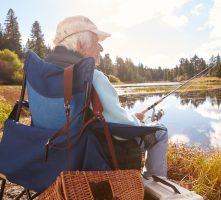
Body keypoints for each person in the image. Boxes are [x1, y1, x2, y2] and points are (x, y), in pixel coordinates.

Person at [45, 16, 168, 177]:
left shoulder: (45, 74)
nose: (101, 49)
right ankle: (153, 185)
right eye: (97, 42)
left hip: (52, 152)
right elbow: (121, 128)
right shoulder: (92, 76)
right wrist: (136, 119)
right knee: (161, 131)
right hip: (93, 155)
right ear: (81, 45)